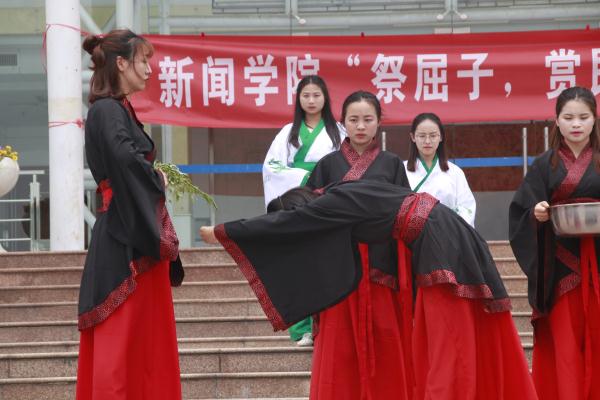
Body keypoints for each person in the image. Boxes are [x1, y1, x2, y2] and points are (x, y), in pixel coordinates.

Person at [201, 180, 538, 400]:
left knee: (449, 343)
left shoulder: (331, 201)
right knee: (449, 341)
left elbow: (286, 224)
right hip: (439, 234)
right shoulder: (343, 195)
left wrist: (223, 232)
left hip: (437, 239)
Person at [76, 29, 183, 400]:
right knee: (121, 351)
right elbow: (124, 161)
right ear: (121, 64)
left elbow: (126, 161)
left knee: (139, 347)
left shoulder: (117, 109)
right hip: (125, 240)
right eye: (143, 61)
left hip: (129, 232)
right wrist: (155, 177)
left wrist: (150, 177)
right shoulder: (107, 110)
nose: (150, 70)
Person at [304, 91, 412, 399]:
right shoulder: (327, 165)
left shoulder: (392, 165)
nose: (361, 126)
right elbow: (309, 214)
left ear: (379, 122)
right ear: (343, 123)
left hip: (381, 269)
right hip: (339, 272)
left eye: (368, 119)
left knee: (387, 342)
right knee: (339, 351)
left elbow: (405, 215)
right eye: (353, 119)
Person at [509, 86, 600, 400]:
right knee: (565, 347)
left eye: (584, 117)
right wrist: (537, 213)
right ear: (557, 121)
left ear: (594, 120)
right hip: (560, 272)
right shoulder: (543, 165)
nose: (576, 124)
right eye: (569, 117)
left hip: (598, 269)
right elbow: (522, 211)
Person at [262, 75, 344, 346]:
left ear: (325, 98)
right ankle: (300, 329)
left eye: (316, 95)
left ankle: (326, 325)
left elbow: (345, 168)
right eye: (306, 95)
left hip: (326, 203)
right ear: (298, 99)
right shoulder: (287, 132)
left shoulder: (339, 132)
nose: (311, 100)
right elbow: (272, 168)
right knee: (298, 264)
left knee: (325, 264)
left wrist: (323, 181)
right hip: (297, 203)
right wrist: (309, 173)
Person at [404, 113, 476, 226]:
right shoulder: (402, 170)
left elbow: (467, 207)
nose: (427, 141)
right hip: (413, 236)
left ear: (441, 137)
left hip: (447, 234)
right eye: (422, 136)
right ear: (413, 137)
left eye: (433, 135)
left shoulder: (455, 172)